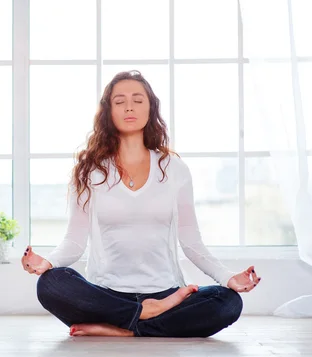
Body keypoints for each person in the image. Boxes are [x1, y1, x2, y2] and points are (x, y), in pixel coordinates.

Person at [20, 70, 261, 338]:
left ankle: (123, 328)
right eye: (119, 101)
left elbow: (191, 241)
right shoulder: (91, 171)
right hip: (107, 294)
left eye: (138, 99)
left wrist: (228, 278)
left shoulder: (174, 169)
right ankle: (141, 318)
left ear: (151, 108)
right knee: (51, 284)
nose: (129, 107)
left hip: (167, 294)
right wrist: (48, 263)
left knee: (227, 302)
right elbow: (75, 241)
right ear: (108, 111)